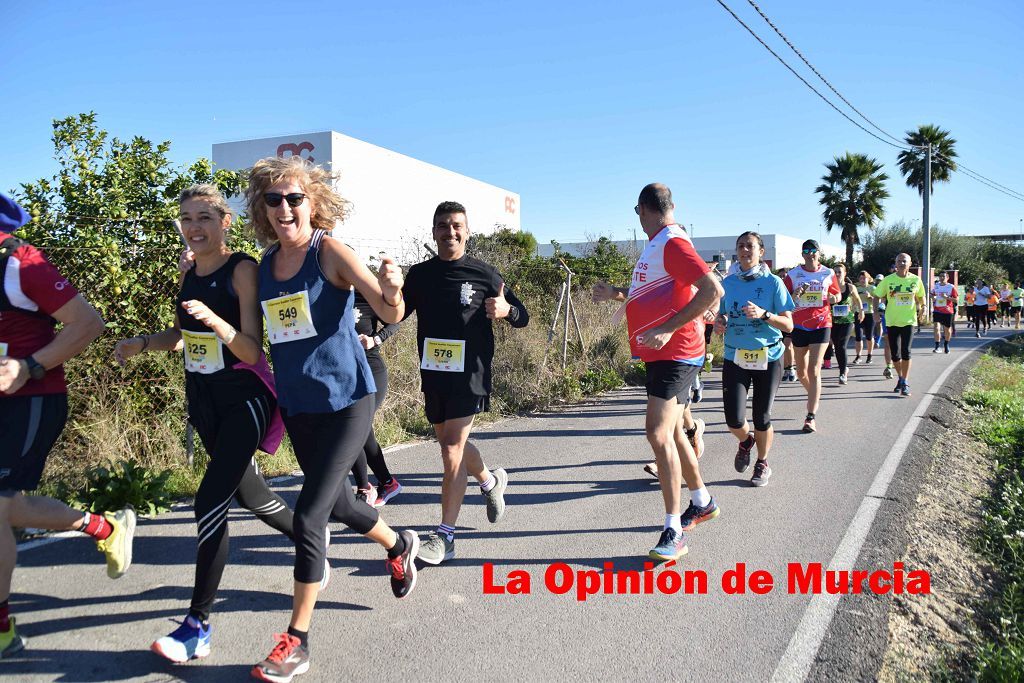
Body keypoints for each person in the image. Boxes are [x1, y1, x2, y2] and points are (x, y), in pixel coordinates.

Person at [247, 157, 418, 683]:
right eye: (273, 200)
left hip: (348, 401)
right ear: (262, 209)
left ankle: (295, 641)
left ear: (313, 202)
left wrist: (392, 289)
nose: (284, 209)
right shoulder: (261, 266)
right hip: (301, 407)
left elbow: (390, 313)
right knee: (341, 504)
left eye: (294, 198)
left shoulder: (330, 252)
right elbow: (253, 343)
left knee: (310, 514)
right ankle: (400, 544)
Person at [115, 185, 299, 663]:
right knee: (251, 495)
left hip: (246, 399)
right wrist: (141, 343)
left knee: (209, 501)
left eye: (203, 218)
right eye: (186, 218)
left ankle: (197, 625)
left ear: (224, 223)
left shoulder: (241, 269)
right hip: (205, 402)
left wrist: (218, 323)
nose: (194, 227)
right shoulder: (189, 270)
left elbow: (252, 349)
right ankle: (310, 542)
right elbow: (182, 336)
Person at [0, 192, 134, 659]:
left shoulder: (23, 262)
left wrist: (28, 367)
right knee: (9, 508)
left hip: (31, 400)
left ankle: (0, 629)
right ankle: (103, 527)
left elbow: (87, 323)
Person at [593, 183, 722, 561]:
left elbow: (711, 290)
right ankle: (702, 500)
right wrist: (616, 293)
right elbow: (654, 292)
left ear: (641, 210)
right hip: (661, 355)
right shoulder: (659, 244)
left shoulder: (671, 243)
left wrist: (667, 329)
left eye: (637, 211)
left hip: (677, 353)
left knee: (657, 432)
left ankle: (673, 529)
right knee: (676, 433)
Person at [401, 201, 529, 565]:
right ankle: (490, 482)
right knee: (449, 442)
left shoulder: (486, 274)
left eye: (457, 225)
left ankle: (445, 536)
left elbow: (522, 316)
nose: (450, 232)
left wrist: (507, 311)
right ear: (433, 232)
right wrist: (375, 333)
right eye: (443, 225)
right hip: (434, 371)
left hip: (471, 373)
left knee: (451, 449)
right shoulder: (420, 275)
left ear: (467, 232)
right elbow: (398, 314)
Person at [713, 232, 793, 487]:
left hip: (768, 357)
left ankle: (762, 462)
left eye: (750, 246)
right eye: (741, 246)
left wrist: (764, 314)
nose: (745, 250)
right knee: (734, 420)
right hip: (735, 356)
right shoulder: (729, 282)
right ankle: (747, 441)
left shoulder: (774, 283)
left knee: (762, 416)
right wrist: (720, 322)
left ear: (761, 252)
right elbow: (722, 314)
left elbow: (789, 325)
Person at [350, 289, 402, 508]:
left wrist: (375, 339)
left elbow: (395, 321)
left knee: (355, 429)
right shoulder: (326, 298)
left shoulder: (365, 296)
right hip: (343, 374)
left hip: (371, 370)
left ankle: (368, 488)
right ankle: (382, 484)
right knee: (352, 430)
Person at [783, 240, 841, 432]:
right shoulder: (793, 274)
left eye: (813, 250)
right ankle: (814, 395)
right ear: (802, 254)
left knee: (814, 370)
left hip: (821, 323)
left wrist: (834, 298)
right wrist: (794, 295)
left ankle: (810, 416)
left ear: (819, 253)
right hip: (799, 325)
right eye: (806, 251)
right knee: (801, 373)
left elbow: (837, 294)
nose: (810, 254)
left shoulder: (828, 273)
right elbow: (783, 299)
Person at [873, 253, 926, 397]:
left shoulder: (916, 280)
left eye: (904, 261)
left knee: (906, 352)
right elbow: (877, 295)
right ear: (895, 264)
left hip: (909, 321)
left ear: (910, 264)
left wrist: (924, 307)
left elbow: (921, 296)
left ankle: (905, 381)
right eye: (899, 261)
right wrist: (876, 312)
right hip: (892, 321)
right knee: (895, 355)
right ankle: (901, 378)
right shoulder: (888, 280)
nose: (902, 263)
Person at [821, 263, 863, 385]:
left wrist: (861, 311)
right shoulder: (829, 287)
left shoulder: (850, 287)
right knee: (837, 346)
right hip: (832, 321)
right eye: (835, 272)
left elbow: (857, 300)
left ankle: (842, 373)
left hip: (847, 321)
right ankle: (843, 368)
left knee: (842, 345)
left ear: (845, 273)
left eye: (840, 272)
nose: (837, 274)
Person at [777, 267, 798, 382]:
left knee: (788, 344)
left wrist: (795, 294)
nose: (782, 278)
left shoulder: (794, 287)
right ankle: (787, 368)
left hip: (792, 320)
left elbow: (792, 303)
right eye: (780, 276)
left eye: (784, 276)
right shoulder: (776, 288)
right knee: (784, 346)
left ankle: (791, 368)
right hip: (779, 320)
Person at [852, 271, 877, 364]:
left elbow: (878, 300)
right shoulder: (856, 288)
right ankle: (858, 356)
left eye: (864, 278)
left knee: (869, 337)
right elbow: (852, 299)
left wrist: (870, 296)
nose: (862, 280)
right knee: (858, 336)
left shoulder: (872, 288)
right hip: (858, 313)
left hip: (869, 313)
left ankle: (869, 355)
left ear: (869, 279)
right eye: (861, 278)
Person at [931, 271, 958, 354]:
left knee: (947, 330)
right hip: (937, 310)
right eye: (940, 276)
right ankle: (937, 346)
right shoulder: (936, 286)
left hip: (948, 311)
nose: (942, 278)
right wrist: (933, 298)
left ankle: (946, 344)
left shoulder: (951, 287)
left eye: (943, 276)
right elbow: (932, 295)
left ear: (947, 278)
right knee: (936, 328)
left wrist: (947, 297)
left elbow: (956, 300)